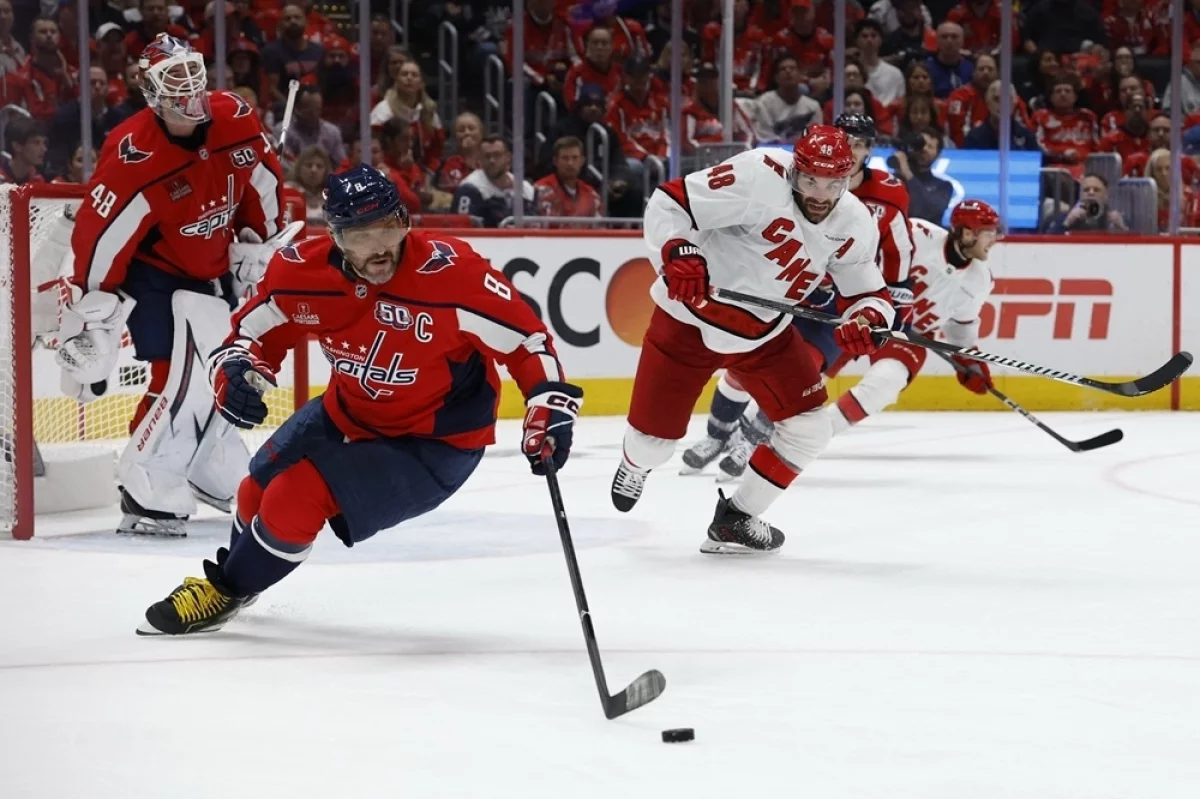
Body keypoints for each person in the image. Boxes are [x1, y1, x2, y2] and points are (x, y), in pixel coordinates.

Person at [137, 165, 581, 635]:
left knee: (294, 495)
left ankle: (223, 590)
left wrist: (548, 401)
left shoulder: (454, 276)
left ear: (404, 220)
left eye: (388, 228)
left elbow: (527, 341)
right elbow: (249, 335)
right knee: (254, 490)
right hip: (347, 412)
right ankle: (244, 577)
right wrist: (234, 371)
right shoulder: (301, 273)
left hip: (435, 445)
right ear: (335, 237)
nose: (380, 247)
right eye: (361, 236)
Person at [54, 35, 297, 537]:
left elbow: (264, 181)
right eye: (174, 82)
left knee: (224, 367)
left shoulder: (235, 117)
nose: (189, 93)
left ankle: (208, 459)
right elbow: (103, 231)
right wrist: (93, 300)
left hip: (215, 263)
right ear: (151, 92)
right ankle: (147, 479)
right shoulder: (135, 151)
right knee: (175, 375)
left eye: (193, 76)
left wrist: (262, 241)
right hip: (156, 272)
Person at [609, 126, 892, 554]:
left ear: (847, 178)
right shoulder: (758, 174)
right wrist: (677, 251)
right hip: (689, 319)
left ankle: (736, 518)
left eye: (833, 184)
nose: (820, 195)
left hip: (765, 333)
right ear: (794, 170)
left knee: (811, 428)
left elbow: (868, 294)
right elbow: (671, 203)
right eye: (810, 180)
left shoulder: (855, 221)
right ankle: (635, 464)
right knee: (652, 446)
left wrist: (868, 318)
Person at [682, 113, 914, 479]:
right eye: (846, 141)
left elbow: (898, 255)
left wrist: (889, 312)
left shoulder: (887, 194)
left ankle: (751, 441)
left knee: (800, 371)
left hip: (837, 306)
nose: (851, 151)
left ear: (870, 150)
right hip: (786, 291)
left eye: (859, 144)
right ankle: (716, 435)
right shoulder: (792, 178)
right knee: (742, 368)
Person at [823, 202, 999, 432]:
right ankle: (781, 422)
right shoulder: (918, 234)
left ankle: (819, 432)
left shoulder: (980, 280)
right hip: (866, 313)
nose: (994, 240)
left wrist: (969, 362)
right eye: (988, 233)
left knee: (886, 384)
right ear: (967, 233)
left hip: (909, 338)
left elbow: (960, 328)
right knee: (809, 374)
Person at [452, 135, 536, 227]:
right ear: (480, 160)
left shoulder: (525, 188)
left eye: (497, 155)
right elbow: (463, 229)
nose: (492, 160)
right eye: (487, 156)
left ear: (508, 157)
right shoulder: (469, 189)